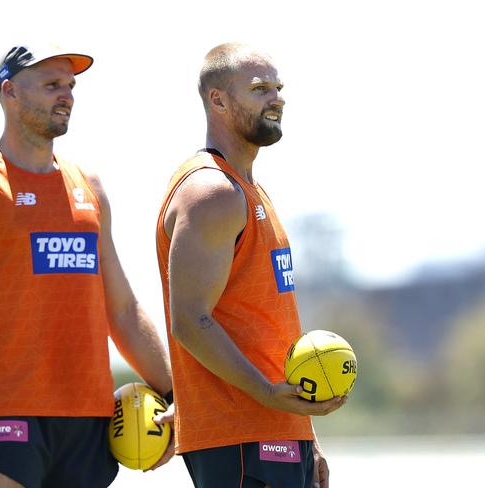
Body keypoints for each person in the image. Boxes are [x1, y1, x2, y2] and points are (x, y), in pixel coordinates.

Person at [0, 43, 173, 488]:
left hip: (88, 421)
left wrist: (178, 395)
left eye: (71, 86)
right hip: (5, 416)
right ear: (10, 93)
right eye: (52, 84)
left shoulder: (89, 186)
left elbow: (122, 310)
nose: (68, 95)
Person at [155, 43, 347, 488]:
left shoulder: (249, 190)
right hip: (241, 436)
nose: (276, 98)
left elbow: (264, 327)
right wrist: (264, 394)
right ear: (217, 100)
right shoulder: (212, 191)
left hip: (277, 431)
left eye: (278, 88)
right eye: (260, 88)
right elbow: (189, 319)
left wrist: (305, 434)